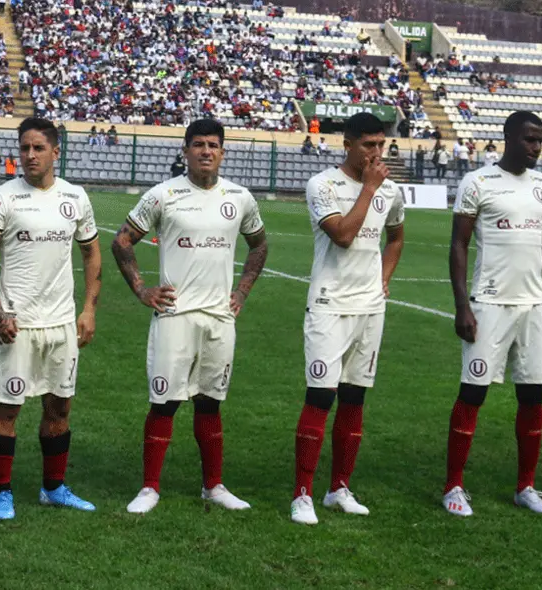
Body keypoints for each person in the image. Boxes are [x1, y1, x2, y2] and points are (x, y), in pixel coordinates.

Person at [111, 118, 269, 514]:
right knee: (164, 401)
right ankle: (149, 488)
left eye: (213, 145)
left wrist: (242, 292)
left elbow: (259, 245)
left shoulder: (240, 197)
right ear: (185, 151)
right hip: (175, 316)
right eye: (197, 144)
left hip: (219, 318)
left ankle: (213, 485)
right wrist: (141, 289)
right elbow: (122, 242)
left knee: (210, 402)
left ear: (222, 152)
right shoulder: (163, 195)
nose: (205, 151)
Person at [0, 117, 101, 520]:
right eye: (23, 148)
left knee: (59, 409)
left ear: (55, 152)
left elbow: (91, 253)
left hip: (62, 324)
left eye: (37, 148)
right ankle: (2, 493)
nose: (28, 155)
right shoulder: (3, 197)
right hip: (17, 325)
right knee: (7, 410)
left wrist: (89, 309)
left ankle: (54, 488)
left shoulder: (75, 197)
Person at [443, 111, 542, 517]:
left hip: (533, 306)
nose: (536, 146)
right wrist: (462, 304)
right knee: (473, 393)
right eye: (529, 139)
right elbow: (458, 245)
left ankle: (525, 486)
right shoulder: (477, 182)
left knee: (532, 395)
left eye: (540, 140)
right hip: (489, 304)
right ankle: (453, 485)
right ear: (508, 137)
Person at [290, 113, 405, 525]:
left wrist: (384, 277)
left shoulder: (390, 190)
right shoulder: (323, 185)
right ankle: (302, 493)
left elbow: (396, 236)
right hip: (329, 305)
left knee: (355, 399)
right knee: (321, 396)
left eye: (381, 145)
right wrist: (369, 189)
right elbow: (342, 234)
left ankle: (339, 488)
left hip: (370, 308)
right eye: (368, 145)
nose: (376, 153)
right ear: (347, 145)